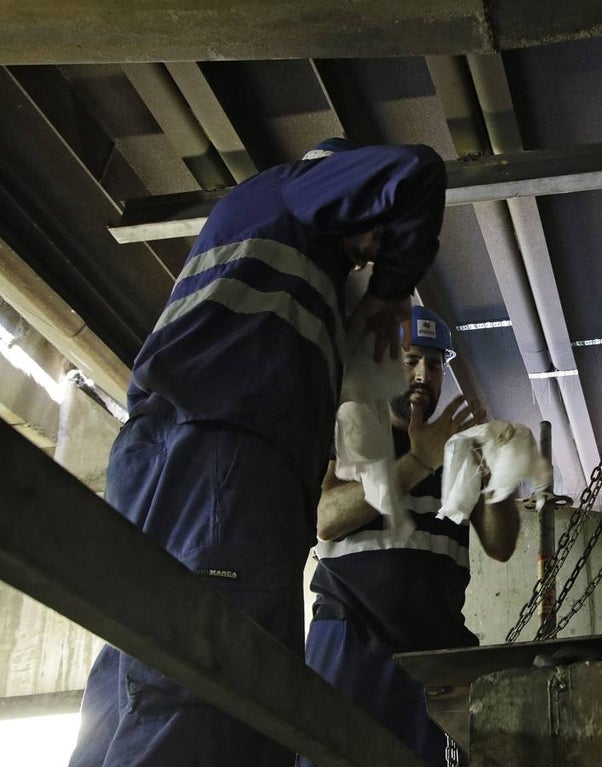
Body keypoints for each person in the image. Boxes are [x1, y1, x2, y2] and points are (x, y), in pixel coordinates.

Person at [70, 139, 447, 767]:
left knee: (143, 658)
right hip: (228, 453)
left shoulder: (288, 252)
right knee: (214, 670)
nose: (370, 253)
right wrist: (389, 290)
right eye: (372, 236)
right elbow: (417, 171)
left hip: (180, 450)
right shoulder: (296, 191)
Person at [302, 305, 520, 767]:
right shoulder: (351, 431)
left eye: (436, 364)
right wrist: (416, 462)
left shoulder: (460, 451)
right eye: (410, 360)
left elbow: (500, 546)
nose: (424, 374)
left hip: (435, 656)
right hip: (352, 643)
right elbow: (324, 517)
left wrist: (500, 480)